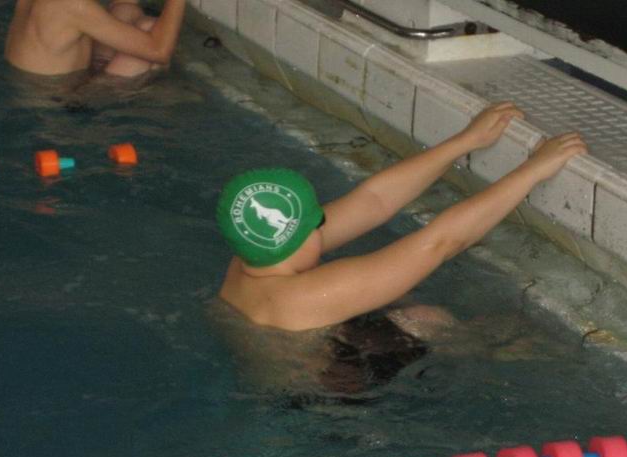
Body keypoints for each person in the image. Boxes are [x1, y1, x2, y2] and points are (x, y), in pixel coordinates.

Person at [216, 102, 587, 341]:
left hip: (305, 344)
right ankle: (498, 349)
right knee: (431, 320)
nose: (325, 222)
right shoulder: (305, 295)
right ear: (299, 237)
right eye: (317, 221)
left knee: (400, 298)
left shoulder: (252, 256)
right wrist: (533, 171)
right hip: (325, 396)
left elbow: (373, 201)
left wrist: (465, 141)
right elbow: (440, 242)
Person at [5, 0, 186, 77]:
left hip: (51, 86)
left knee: (125, 10)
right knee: (150, 30)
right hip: (69, 110)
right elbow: (159, 51)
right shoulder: (71, 4)